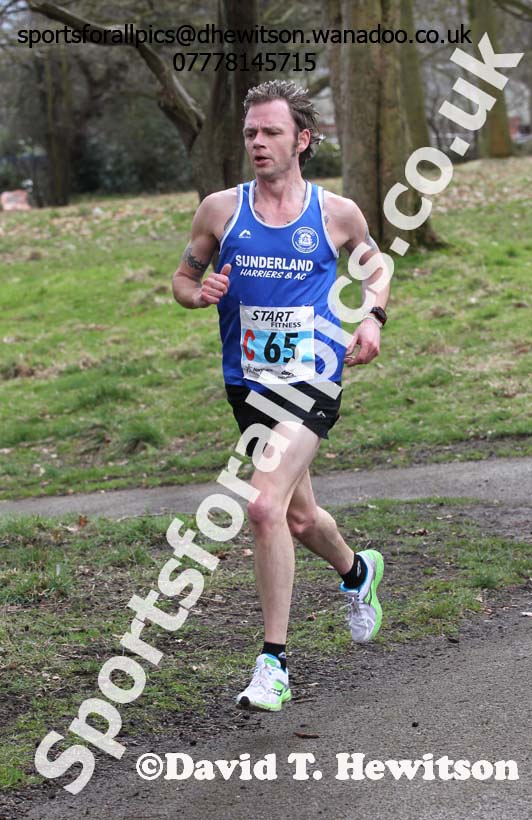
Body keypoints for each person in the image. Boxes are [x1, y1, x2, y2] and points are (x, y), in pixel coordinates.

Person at [172, 80, 390, 712]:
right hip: (248, 386)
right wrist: (199, 293)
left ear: (303, 140)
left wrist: (372, 320)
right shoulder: (219, 210)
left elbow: (375, 268)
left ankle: (274, 662)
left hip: (313, 380)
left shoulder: (335, 213)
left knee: (264, 508)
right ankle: (357, 572)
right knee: (297, 517)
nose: (258, 143)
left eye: (270, 132)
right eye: (250, 133)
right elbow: (183, 280)